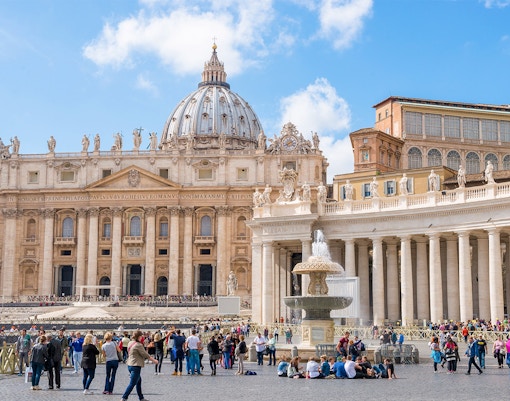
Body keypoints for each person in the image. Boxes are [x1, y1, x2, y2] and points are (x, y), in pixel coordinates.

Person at [121, 330, 158, 401]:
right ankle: (124, 397)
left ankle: (141, 397)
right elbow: (145, 355)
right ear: (139, 337)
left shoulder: (130, 343)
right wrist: (154, 361)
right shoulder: (138, 345)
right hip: (136, 365)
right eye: (141, 337)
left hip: (130, 364)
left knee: (138, 381)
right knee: (132, 383)